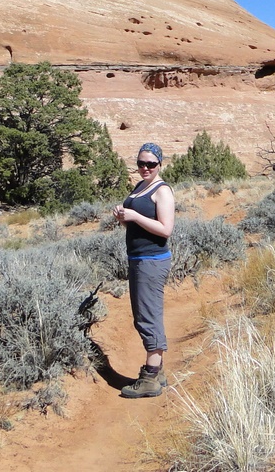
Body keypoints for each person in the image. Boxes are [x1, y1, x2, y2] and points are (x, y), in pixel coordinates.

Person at [113, 141, 175, 398]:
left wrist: (135, 216)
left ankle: (150, 378)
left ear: (160, 164)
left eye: (151, 163)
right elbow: (137, 225)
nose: (145, 167)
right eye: (141, 163)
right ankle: (157, 371)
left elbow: (165, 229)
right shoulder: (140, 187)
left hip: (152, 261)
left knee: (147, 317)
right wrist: (123, 218)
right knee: (145, 314)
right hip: (139, 258)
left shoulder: (162, 191)